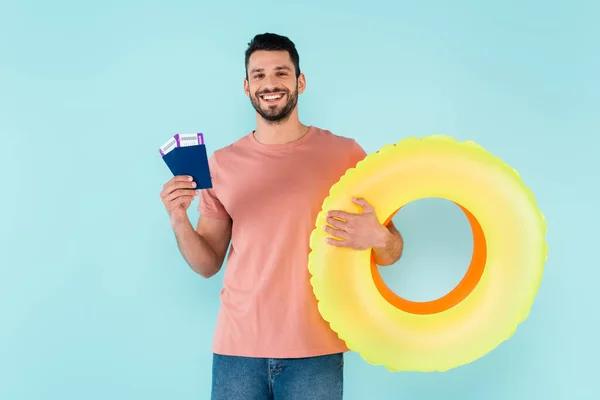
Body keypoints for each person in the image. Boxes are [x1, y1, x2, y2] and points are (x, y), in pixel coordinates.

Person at [159, 33, 404, 400]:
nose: (269, 83)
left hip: (316, 349)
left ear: (299, 82)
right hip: (237, 350)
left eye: (281, 73)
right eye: (258, 75)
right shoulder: (222, 165)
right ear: (246, 87)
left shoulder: (346, 155)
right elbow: (208, 262)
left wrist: (380, 238)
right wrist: (179, 219)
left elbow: (392, 252)